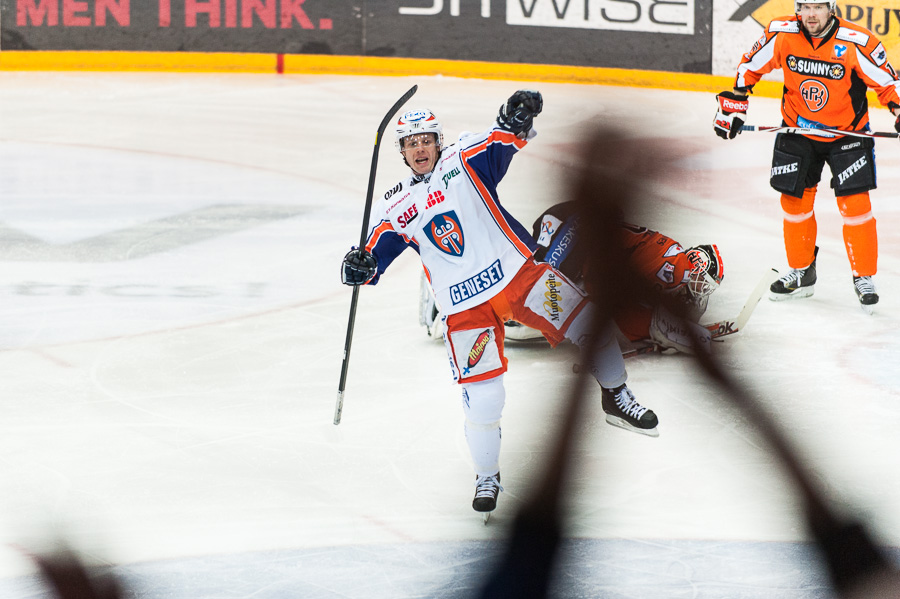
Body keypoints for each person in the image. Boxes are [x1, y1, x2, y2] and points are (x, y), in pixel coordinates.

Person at [341, 91, 659, 518]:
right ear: (401, 151)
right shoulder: (396, 205)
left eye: (425, 139)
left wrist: (515, 116)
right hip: (463, 308)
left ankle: (616, 395)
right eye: (410, 142)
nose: (419, 148)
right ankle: (486, 475)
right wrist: (359, 265)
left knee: (589, 322)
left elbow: (504, 138)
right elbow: (374, 256)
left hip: (516, 276)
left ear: (439, 140)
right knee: (485, 398)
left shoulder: (465, 158)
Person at [714, 0, 900, 314]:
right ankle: (801, 272)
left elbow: (888, 83)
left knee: (856, 206)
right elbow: (749, 67)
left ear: (832, 8)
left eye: (818, 7)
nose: (811, 14)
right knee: (794, 204)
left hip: (847, 133)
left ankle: (863, 277)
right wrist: (734, 104)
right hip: (797, 130)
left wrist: (898, 109)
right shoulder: (782, 32)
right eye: (805, 7)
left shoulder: (857, 42)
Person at [421, 201, 724, 355]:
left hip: (585, 246)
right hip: (574, 225)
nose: (698, 291)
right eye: (700, 282)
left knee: (544, 311)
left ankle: (477, 296)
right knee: (539, 285)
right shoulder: (669, 265)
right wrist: (656, 329)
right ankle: (455, 286)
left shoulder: (675, 268)